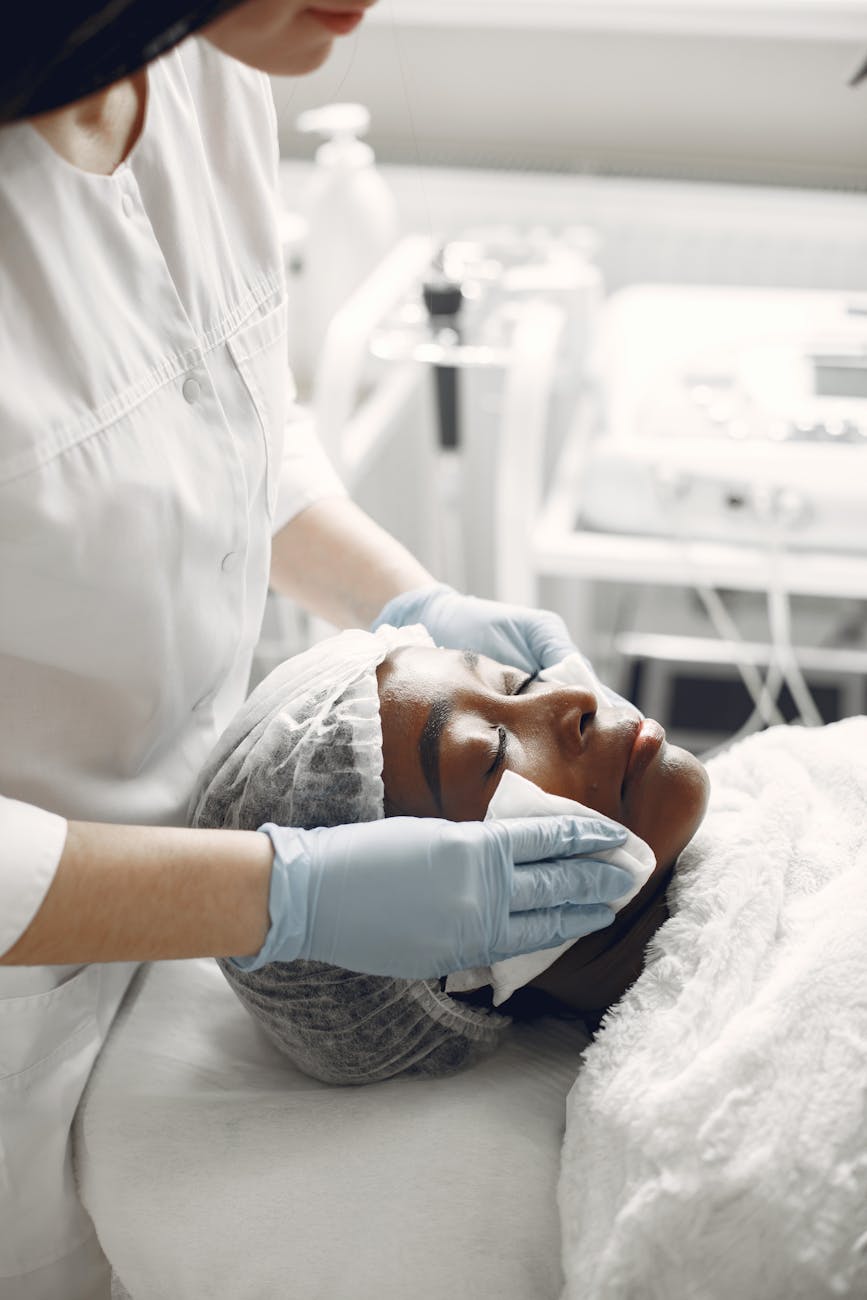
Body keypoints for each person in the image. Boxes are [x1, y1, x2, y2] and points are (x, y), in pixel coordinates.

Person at [0, 4, 634, 1296]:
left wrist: (410, 606)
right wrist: (282, 896)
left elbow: (223, 411)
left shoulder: (202, 71)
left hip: (171, 940)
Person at [190, 625, 709, 1083]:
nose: (574, 698)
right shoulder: (688, 1087)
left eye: (517, 682)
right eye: (492, 753)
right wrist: (297, 900)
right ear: (455, 954)